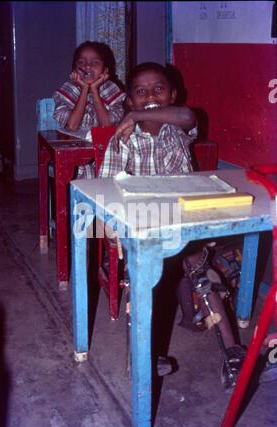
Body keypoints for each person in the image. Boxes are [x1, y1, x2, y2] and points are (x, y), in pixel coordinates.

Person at [99, 62, 246, 389]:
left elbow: (188, 117)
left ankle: (232, 351)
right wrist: (116, 234)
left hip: (181, 222)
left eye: (159, 89)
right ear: (128, 102)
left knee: (198, 267)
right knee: (139, 277)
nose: (150, 96)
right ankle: (141, 355)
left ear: (173, 95)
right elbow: (105, 189)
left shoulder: (177, 129)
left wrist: (138, 116)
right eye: (140, 92)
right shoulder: (124, 140)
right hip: (141, 229)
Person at [53, 41, 126, 178]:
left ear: (105, 71)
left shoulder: (111, 89)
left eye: (95, 63)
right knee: (84, 174)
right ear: (74, 70)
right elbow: (72, 126)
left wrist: (94, 90)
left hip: (107, 149)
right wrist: (84, 89)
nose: (87, 66)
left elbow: (106, 125)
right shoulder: (69, 89)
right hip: (77, 152)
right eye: (81, 62)